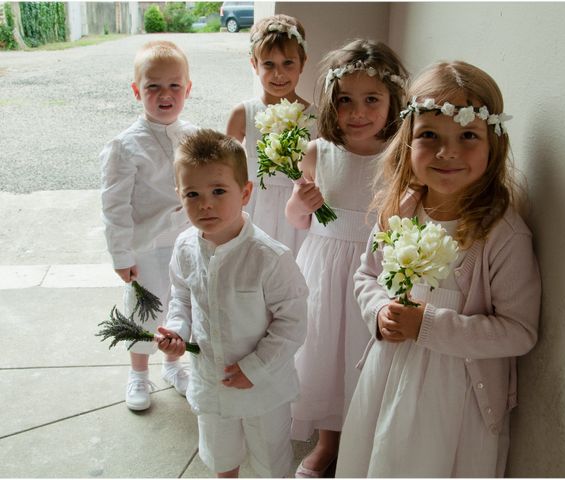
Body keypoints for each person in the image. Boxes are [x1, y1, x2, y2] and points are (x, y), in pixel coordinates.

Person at [335, 61, 542, 477]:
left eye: (467, 135)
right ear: (407, 142)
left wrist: (425, 325)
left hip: (456, 400)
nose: (448, 152)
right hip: (388, 377)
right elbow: (367, 275)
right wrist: (378, 311)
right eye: (429, 135)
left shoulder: (502, 236)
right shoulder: (401, 211)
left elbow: (519, 331)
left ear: (493, 144)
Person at [285, 39, 408, 477]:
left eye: (371, 99)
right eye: (345, 101)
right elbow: (297, 221)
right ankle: (328, 443)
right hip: (324, 269)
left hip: (373, 275)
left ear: (394, 100)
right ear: (329, 104)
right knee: (325, 358)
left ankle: (365, 444)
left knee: (365, 358)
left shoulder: (402, 157)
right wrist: (303, 199)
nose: (357, 112)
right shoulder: (319, 153)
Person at [156, 129, 308, 478]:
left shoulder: (269, 257)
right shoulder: (184, 247)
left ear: (245, 192)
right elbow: (181, 296)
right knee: (220, 456)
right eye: (192, 193)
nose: (205, 203)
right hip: (211, 380)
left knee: (270, 459)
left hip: (264, 387)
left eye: (218, 191)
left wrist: (254, 368)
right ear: (179, 196)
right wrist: (177, 331)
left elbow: (293, 321)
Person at [100, 40, 195, 411]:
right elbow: (115, 205)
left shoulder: (194, 134)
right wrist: (121, 254)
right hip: (147, 245)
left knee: (180, 306)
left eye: (174, 86)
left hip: (188, 240)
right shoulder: (124, 146)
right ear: (137, 91)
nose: (165, 94)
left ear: (187, 89)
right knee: (146, 310)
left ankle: (173, 363)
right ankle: (139, 373)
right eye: (153, 86)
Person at [226, 14, 316, 257]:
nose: (279, 74)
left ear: (303, 62)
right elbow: (226, 170)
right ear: (254, 64)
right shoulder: (243, 114)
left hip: (300, 212)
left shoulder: (316, 116)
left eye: (288, 63)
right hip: (256, 209)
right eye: (269, 64)